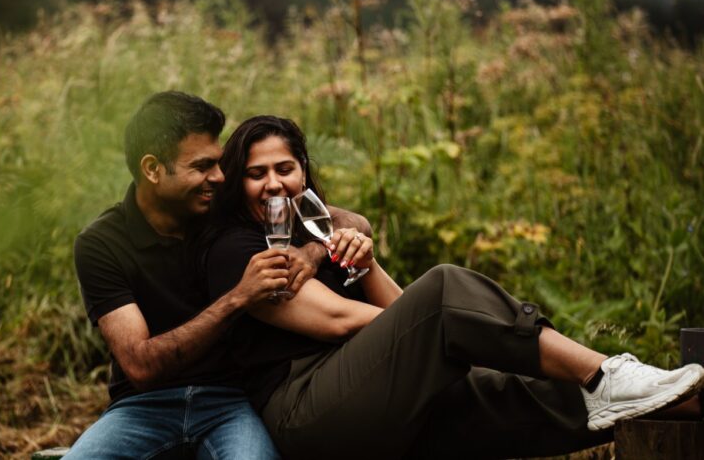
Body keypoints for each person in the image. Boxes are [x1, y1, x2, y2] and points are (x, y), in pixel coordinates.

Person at [198, 115, 704, 460]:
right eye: (255, 174)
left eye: (284, 169)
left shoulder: (315, 229)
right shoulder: (233, 249)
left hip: (368, 387)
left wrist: (367, 262)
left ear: (303, 170)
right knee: (443, 289)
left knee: (519, 391)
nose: (273, 184)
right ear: (237, 183)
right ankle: (605, 375)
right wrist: (443, 333)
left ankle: (678, 398)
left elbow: (398, 307)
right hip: (304, 409)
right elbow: (339, 318)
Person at [66, 92, 368, 459]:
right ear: (152, 169)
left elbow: (348, 220)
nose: (221, 176)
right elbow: (141, 367)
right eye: (202, 166)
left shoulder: (222, 207)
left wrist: (312, 252)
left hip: (232, 402)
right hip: (142, 407)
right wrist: (238, 297)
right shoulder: (101, 243)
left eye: (219, 163)